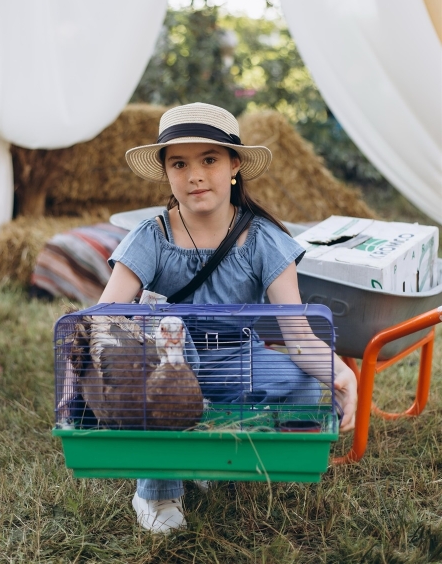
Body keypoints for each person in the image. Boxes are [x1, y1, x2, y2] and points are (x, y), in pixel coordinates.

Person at [99, 102, 357, 534]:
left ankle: (213, 451)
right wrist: (137, 335)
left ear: (235, 165)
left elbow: (296, 335)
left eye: (210, 160)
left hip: (237, 357)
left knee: (305, 381)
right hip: (170, 364)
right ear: (166, 172)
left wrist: (339, 371)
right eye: (179, 163)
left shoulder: (263, 240)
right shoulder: (152, 236)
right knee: (168, 353)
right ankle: (158, 489)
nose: (195, 175)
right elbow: (107, 317)